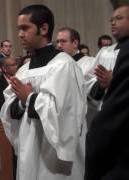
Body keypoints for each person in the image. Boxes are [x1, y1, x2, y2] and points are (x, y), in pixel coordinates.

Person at [0, 5, 86, 180]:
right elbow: (9, 107)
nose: (20, 34)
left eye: (25, 28)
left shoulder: (64, 65)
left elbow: (67, 115)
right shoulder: (24, 70)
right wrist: (22, 101)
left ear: (44, 28)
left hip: (54, 159)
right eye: (18, 29)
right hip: (28, 150)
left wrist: (29, 98)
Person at [85, 1, 129, 179]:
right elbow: (89, 82)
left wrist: (116, 81)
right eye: (111, 19)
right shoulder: (105, 53)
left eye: (119, 18)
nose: (113, 22)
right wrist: (101, 86)